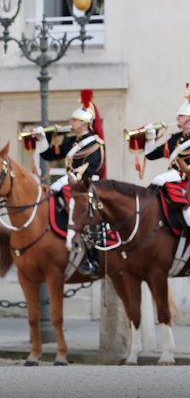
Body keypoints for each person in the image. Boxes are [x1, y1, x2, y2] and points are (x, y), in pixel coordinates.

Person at [33, 89, 107, 278]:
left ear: (84, 123)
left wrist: (75, 178)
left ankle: (93, 260)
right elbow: (50, 155)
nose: (70, 123)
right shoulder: (70, 140)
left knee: (89, 218)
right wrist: (42, 139)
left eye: (74, 120)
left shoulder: (96, 143)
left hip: (87, 185)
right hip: (70, 182)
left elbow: (94, 166)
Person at [143, 83, 190, 277]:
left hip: (188, 186)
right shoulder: (176, 139)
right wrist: (149, 137)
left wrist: (177, 172)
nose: (177, 119)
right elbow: (151, 155)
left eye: (181, 116)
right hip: (172, 182)